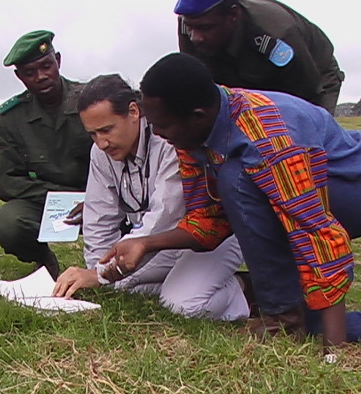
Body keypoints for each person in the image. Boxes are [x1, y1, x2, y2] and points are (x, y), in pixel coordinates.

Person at [100, 53, 361, 353]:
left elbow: (317, 233)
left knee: (236, 178)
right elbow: (209, 220)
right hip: (297, 193)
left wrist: (333, 350)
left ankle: (287, 318)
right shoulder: (194, 135)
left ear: (196, 115)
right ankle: (289, 316)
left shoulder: (267, 138)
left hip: (349, 187)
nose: (157, 134)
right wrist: (146, 243)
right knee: (236, 179)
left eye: (163, 127)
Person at [52, 74, 249, 321]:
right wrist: (97, 269)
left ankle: (241, 289)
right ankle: (195, 283)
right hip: (159, 243)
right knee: (120, 285)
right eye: (92, 134)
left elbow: (164, 216)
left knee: (182, 305)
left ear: (133, 112)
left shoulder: (167, 140)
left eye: (106, 129)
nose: (101, 142)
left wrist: (100, 275)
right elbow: (98, 216)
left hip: (211, 237)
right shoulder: (100, 153)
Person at [0, 30, 93, 279]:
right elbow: (5, 181)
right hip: (46, 202)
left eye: (47, 66)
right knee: (7, 224)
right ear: (19, 77)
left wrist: (96, 199)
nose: (41, 76)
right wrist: (61, 198)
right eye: (29, 72)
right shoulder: (12, 116)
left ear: (58, 60)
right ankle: (42, 260)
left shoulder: (91, 100)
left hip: (101, 199)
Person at [175, 0, 344, 114]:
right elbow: (200, 81)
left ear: (233, 15)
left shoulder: (276, 35)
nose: (196, 38)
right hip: (237, 78)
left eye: (205, 28)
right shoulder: (188, 23)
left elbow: (305, 97)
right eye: (191, 27)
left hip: (311, 78)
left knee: (304, 140)